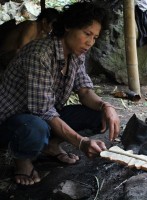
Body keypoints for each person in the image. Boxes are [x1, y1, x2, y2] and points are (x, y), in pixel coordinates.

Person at [0, 1, 120, 186]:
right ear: (67, 26)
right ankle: (22, 159)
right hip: (13, 121)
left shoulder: (77, 54)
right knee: (36, 128)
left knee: (99, 114)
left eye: (95, 37)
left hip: (43, 116)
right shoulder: (40, 55)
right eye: (86, 34)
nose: (90, 42)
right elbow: (43, 111)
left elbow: (85, 90)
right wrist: (81, 142)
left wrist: (107, 106)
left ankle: (50, 146)